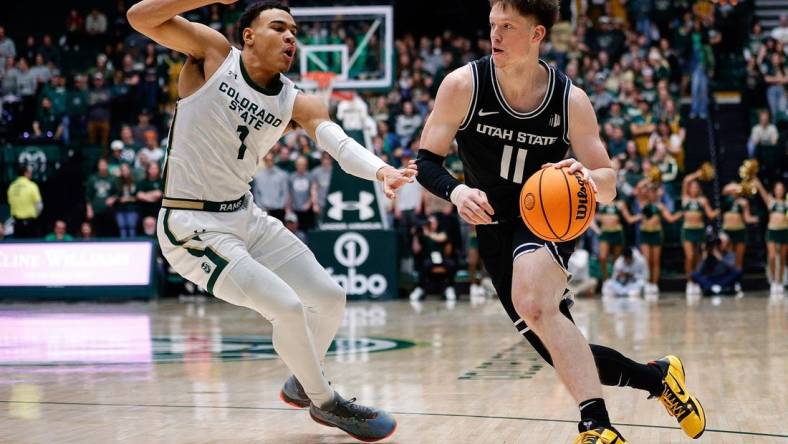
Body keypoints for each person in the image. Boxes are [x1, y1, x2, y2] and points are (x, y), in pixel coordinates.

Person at [415, 1, 704, 442]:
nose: (495, 35)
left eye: (508, 27)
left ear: (537, 35)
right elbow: (426, 161)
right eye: (493, 25)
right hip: (491, 222)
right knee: (558, 347)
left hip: (547, 217)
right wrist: (455, 191)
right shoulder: (462, 86)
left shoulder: (570, 100)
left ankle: (597, 428)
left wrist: (587, 177)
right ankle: (659, 378)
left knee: (534, 304)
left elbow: (608, 180)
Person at [127, 1, 414, 440]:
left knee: (331, 298)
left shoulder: (297, 100)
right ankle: (327, 403)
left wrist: (380, 170)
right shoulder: (212, 55)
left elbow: (337, 144)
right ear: (248, 35)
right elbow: (139, 17)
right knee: (287, 306)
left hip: (245, 215)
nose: (290, 37)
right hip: (190, 225)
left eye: (294, 31)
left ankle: (303, 379)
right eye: (279, 27)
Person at [636, 182, 682, 298]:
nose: (652, 194)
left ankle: (654, 284)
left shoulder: (660, 206)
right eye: (650, 192)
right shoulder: (643, 203)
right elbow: (638, 188)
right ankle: (647, 283)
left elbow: (670, 219)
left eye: (654, 192)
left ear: (657, 193)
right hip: (645, 233)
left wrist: (681, 213)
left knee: (655, 260)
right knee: (646, 260)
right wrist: (649, 180)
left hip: (656, 233)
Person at [680, 171, 719, 296]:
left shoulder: (702, 200)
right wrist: (698, 174)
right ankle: (689, 282)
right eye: (692, 187)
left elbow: (710, 215)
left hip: (699, 230)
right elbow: (686, 179)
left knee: (698, 257)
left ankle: (696, 280)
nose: (694, 189)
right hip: (688, 230)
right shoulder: (685, 199)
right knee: (689, 256)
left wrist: (719, 209)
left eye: (696, 187)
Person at [754, 178, 786, 296]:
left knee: (782, 258)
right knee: (772, 256)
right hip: (772, 231)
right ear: (774, 190)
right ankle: (773, 281)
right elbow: (762, 191)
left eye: (781, 189)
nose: (779, 191)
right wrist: (756, 181)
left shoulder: (787, 203)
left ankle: (780, 281)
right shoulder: (771, 202)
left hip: (784, 231)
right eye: (777, 189)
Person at [596, 199, 640, 283]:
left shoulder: (620, 203)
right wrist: (597, 229)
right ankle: (606, 280)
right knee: (602, 257)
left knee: (616, 259)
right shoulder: (600, 201)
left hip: (617, 232)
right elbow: (593, 216)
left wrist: (640, 216)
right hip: (604, 232)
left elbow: (629, 219)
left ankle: (615, 279)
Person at [720, 182, 758, 271]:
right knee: (729, 257)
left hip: (740, 231)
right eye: (733, 189)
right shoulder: (726, 200)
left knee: (739, 257)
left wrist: (758, 218)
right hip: (728, 231)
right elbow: (725, 190)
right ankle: (728, 279)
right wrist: (737, 186)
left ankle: (737, 281)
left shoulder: (743, 202)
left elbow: (747, 218)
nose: (735, 191)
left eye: (736, 190)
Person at [6, 164, 43, 238]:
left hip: (17, 223)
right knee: (32, 246)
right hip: (31, 223)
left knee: (19, 246)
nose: (31, 174)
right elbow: (39, 205)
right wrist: (35, 215)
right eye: (30, 172)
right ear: (26, 173)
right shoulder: (32, 186)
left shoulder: (11, 187)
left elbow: (10, 203)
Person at [252, 152, 289, 222]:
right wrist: (260, 206)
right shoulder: (258, 176)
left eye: (271, 160)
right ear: (264, 161)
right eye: (267, 160)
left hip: (278, 209)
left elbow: (285, 192)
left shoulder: (282, 175)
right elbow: (256, 193)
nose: (269, 162)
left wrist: (280, 205)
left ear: (274, 160)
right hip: (263, 210)